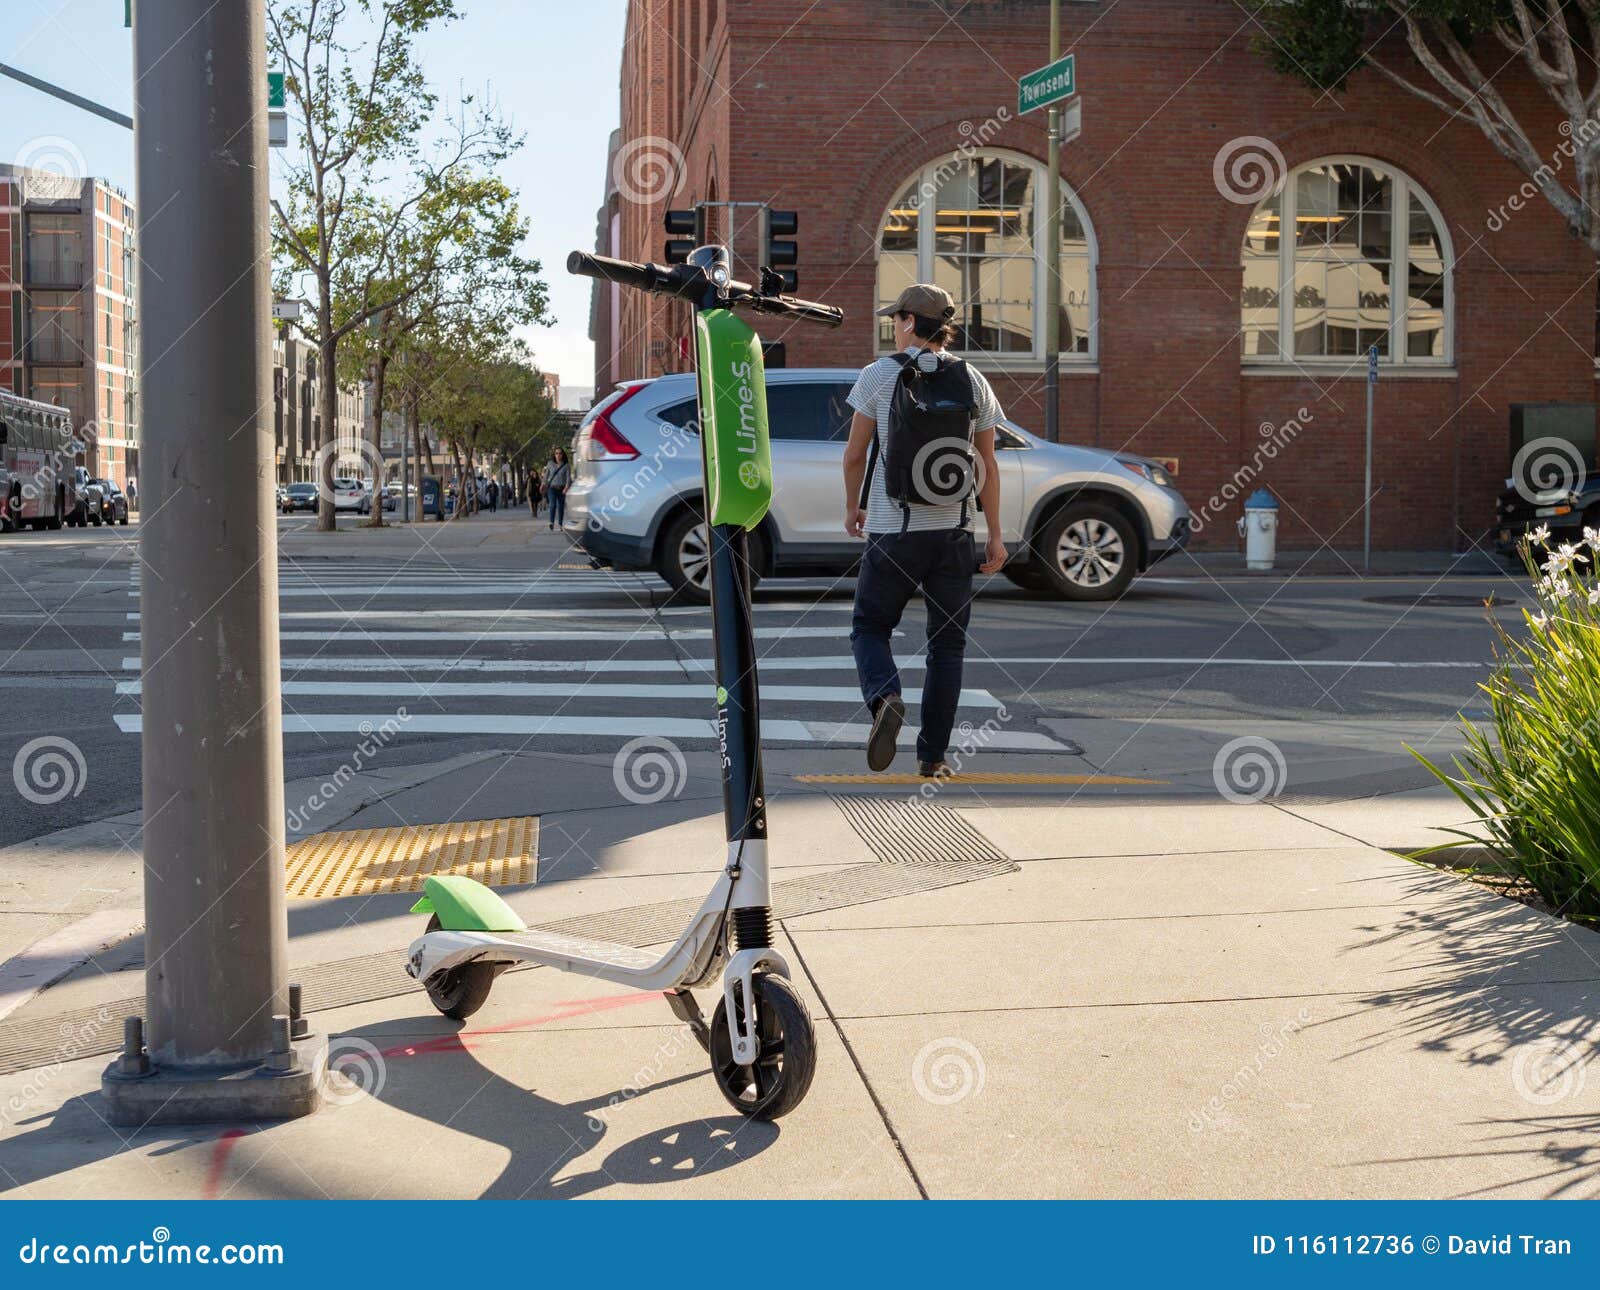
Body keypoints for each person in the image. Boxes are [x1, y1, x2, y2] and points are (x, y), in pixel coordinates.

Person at [841, 283, 1007, 779]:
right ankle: (932, 758)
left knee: (870, 627)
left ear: (911, 322)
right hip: (954, 535)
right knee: (947, 646)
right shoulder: (973, 379)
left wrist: (853, 507)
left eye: (897, 319)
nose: (893, 326)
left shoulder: (878, 376)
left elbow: (854, 455)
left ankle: (885, 695)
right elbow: (988, 465)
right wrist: (994, 534)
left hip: (895, 531)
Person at [542, 447, 571, 531]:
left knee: (561, 507)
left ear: (563, 455)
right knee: (553, 504)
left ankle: (560, 524)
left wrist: (566, 487)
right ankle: (551, 522)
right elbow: (546, 475)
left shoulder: (566, 465)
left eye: (560, 453)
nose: (558, 455)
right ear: (554, 455)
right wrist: (543, 484)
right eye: (556, 453)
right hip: (552, 488)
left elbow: (568, 478)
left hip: (562, 488)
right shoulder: (550, 463)